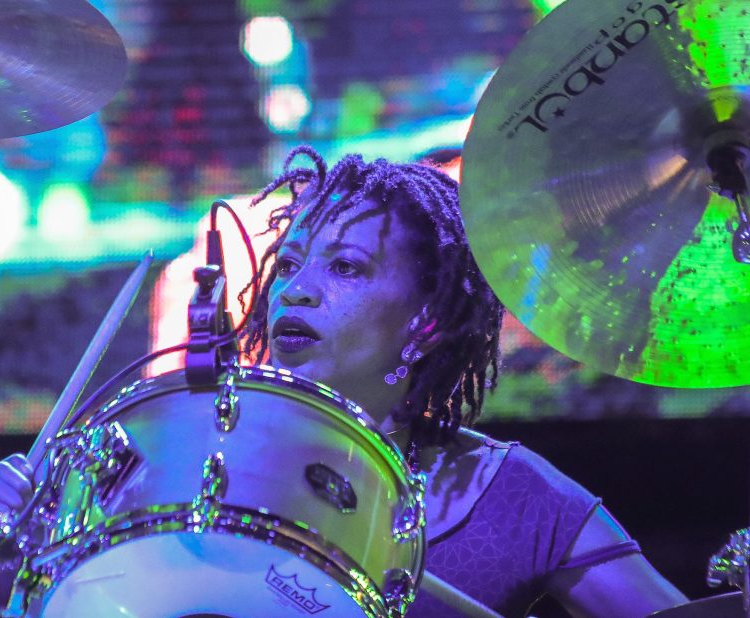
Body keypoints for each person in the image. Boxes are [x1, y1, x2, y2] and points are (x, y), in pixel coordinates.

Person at [237, 144, 688, 617]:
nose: (294, 290)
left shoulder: (514, 498)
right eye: (287, 266)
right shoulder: (204, 454)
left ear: (427, 322)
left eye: (345, 267)